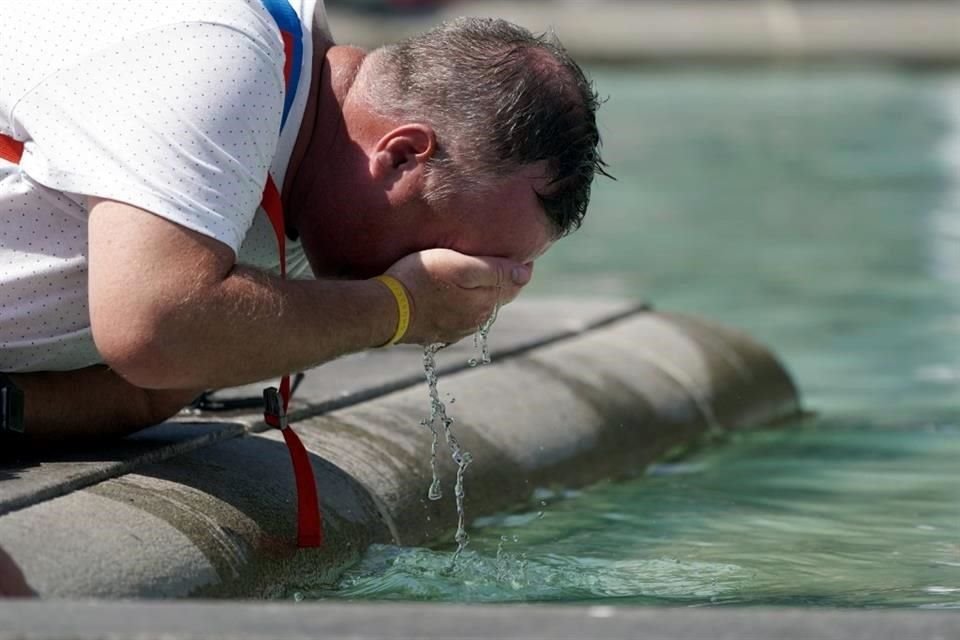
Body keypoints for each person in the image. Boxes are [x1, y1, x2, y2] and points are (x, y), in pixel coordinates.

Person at [0, 0, 605, 447]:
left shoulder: (298, 180)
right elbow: (156, 327)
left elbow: (147, 389)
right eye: (452, 252)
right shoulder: (219, 55)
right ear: (399, 154)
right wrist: (399, 307)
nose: (454, 279)